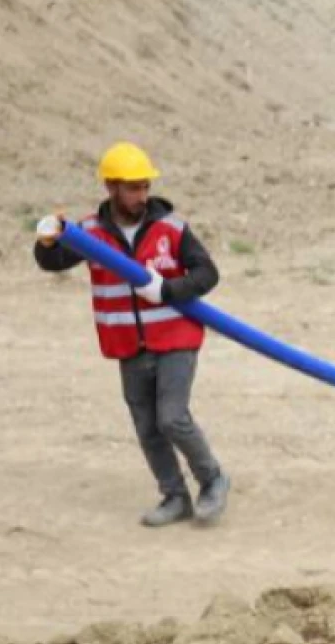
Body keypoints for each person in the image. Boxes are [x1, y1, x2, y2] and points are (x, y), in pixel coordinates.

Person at [34, 142, 232, 527]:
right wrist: (45, 241)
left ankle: (212, 479)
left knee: (172, 418)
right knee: (147, 427)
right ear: (111, 187)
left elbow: (207, 274)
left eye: (144, 186)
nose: (141, 195)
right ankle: (175, 497)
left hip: (176, 338)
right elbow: (54, 261)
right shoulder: (90, 233)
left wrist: (169, 290)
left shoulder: (170, 228)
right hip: (128, 345)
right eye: (132, 187)